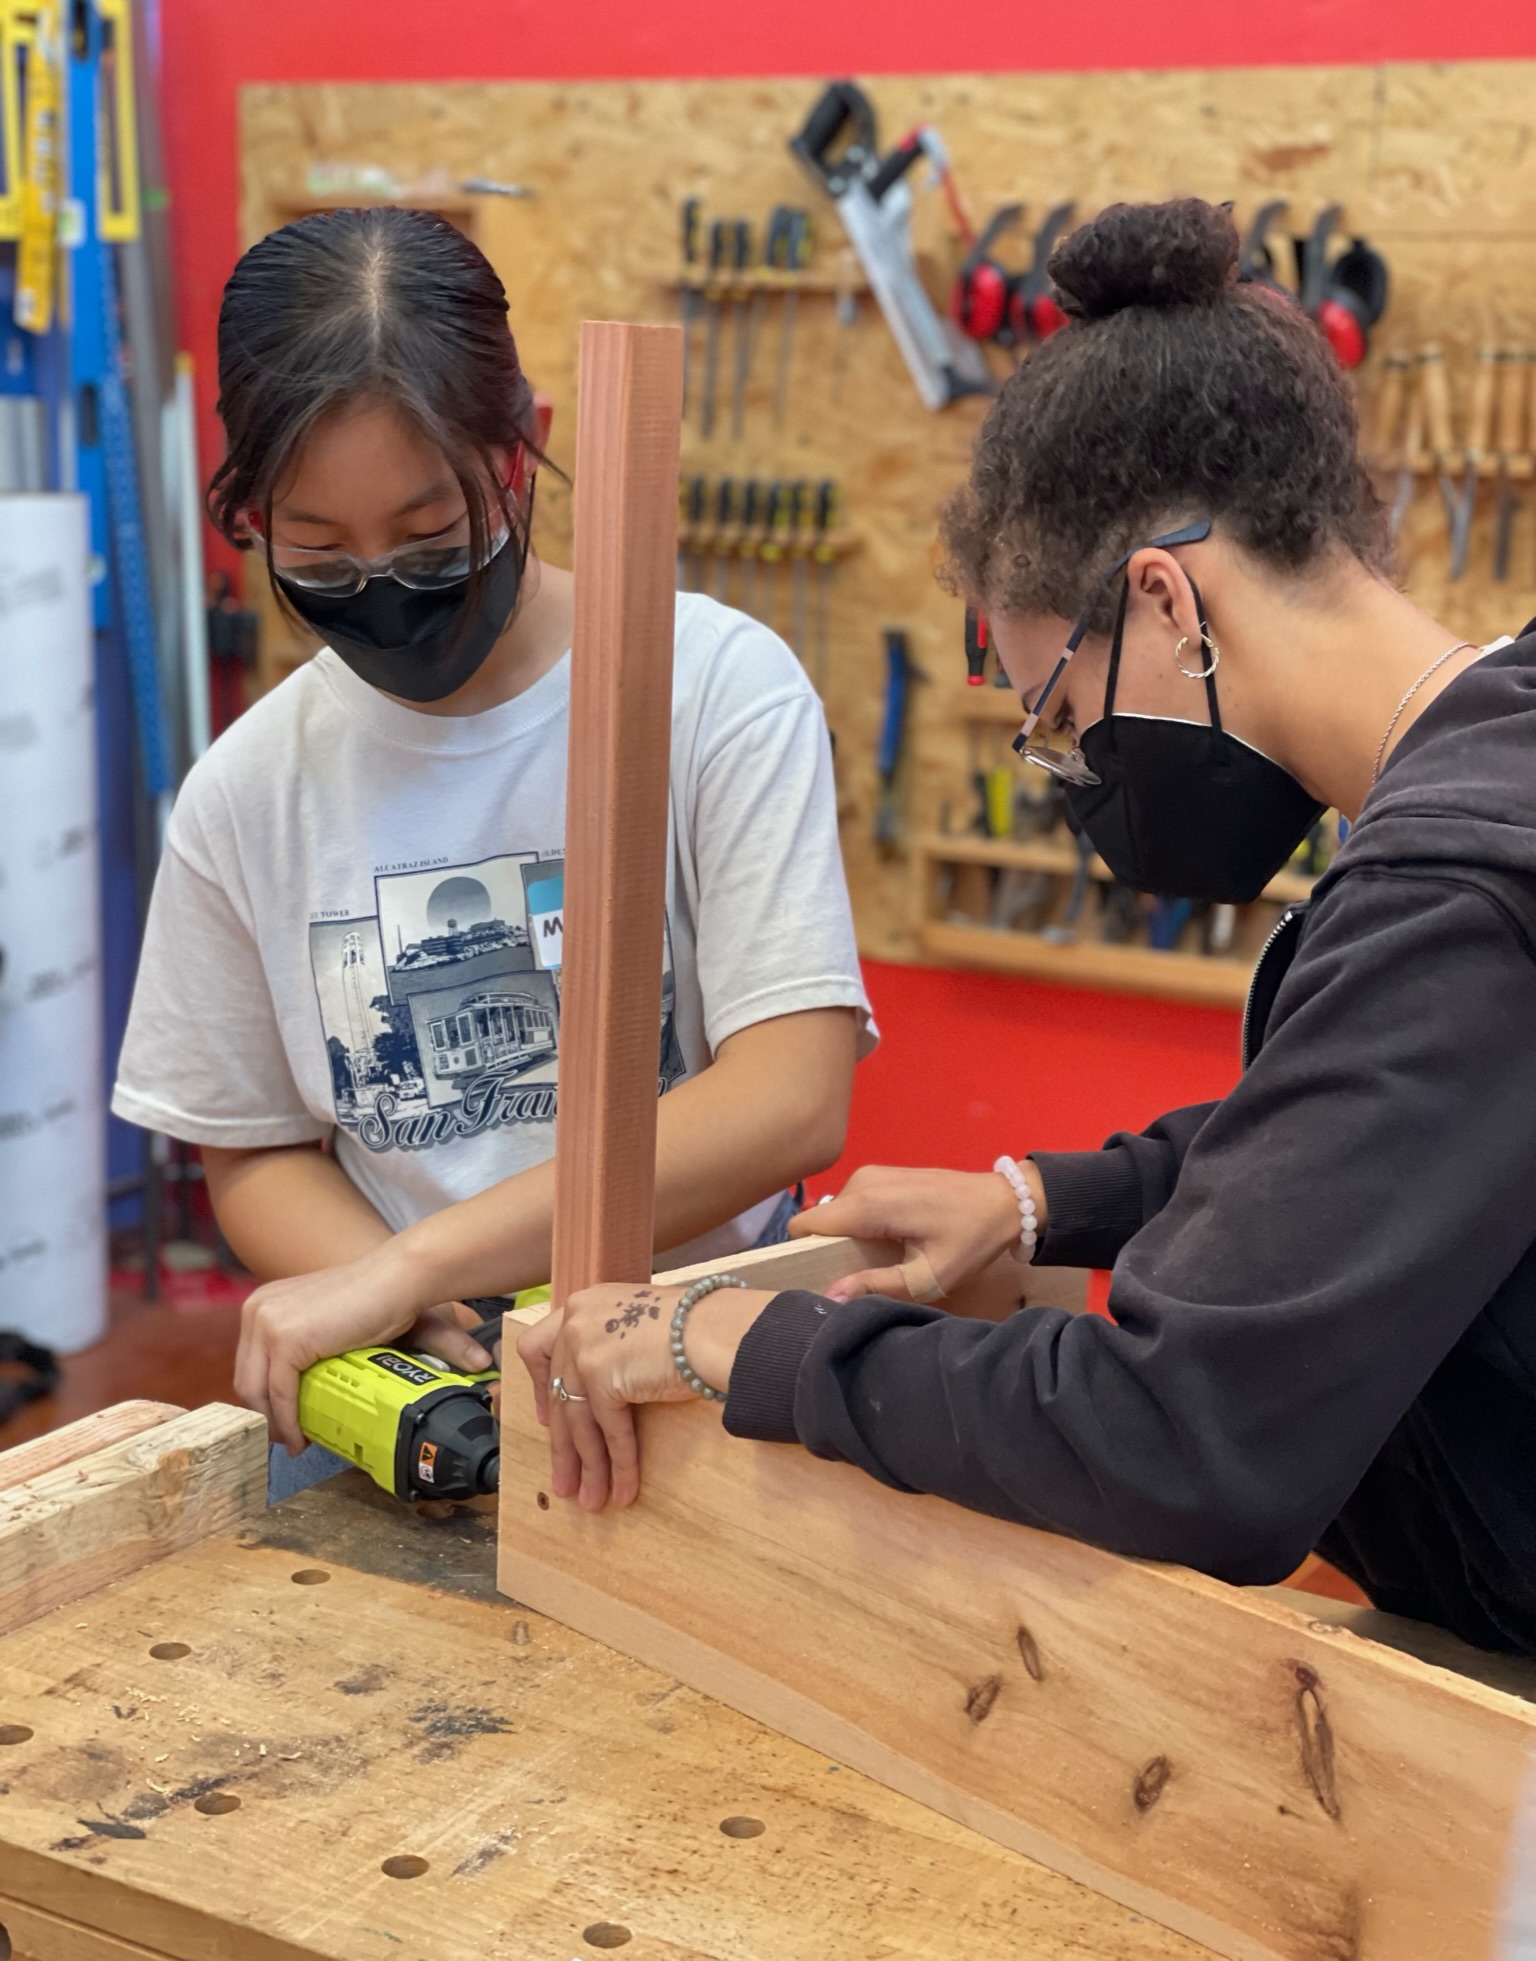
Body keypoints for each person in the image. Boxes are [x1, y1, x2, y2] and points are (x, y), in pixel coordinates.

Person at [520, 196, 1536, 1658]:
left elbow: (1184, 1449)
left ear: (1168, 598)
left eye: (1060, 712)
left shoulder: (1455, 891)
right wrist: (1047, 1201)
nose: (1075, 773)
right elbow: (1382, 1131)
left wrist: (744, 1339)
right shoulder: (1497, 756)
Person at [112, 207, 871, 1487]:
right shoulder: (247, 791)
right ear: (248, 517)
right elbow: (249, 1148)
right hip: (429, 1384)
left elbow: (792, 1093)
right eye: (317, 551)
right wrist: (398, 1304)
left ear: (527, 452)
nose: (383, 584)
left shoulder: (710, 688)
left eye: (428, 538)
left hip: (699, 1366)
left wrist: (414, 1262)